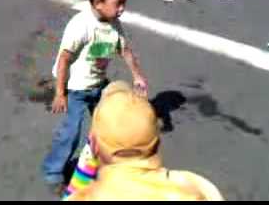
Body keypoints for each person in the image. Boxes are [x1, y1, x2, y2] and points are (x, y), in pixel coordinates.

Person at [41, 0, 149, 195]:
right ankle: (53, 170)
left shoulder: (114, 25)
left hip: (98, 85)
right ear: (98, 3)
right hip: (75, 88)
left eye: (124, 3)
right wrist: (60, 93)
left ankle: (103, 161)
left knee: (109, 123)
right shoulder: (81, 26)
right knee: (72, 132)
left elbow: (125, 51)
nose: (122, 9)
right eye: (118, 3)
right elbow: (64, 59)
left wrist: (137, 76)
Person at [64, 80, 224, 201]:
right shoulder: (196, 188)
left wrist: (89, 159)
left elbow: (72, 195)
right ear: (157, 142)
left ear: (94, 146)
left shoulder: (86, 197)